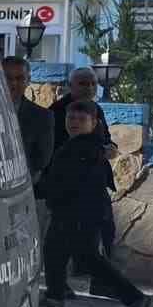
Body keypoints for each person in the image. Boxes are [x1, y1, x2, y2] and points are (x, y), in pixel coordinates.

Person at [38, 99, 153, 307]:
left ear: (94, 123)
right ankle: (55, 297)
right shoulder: (84, 145)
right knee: (55, 251)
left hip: (79, 214)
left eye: (82, 119)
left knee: (87, 259)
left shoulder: (85, 148)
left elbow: (62, 182)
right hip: (73, 212)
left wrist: (37, 189)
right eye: (71, 118)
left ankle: (136, 299)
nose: (74, 123)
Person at [50, 66, 118, 254]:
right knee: (64, 244)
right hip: (70, 188)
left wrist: (111, 149)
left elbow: (105, 139)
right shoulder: (57, 112)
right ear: (70, 86)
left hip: (96, 184)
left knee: (106, 234)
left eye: (92, 84)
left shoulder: (96, 110)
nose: (88, 88)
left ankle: (101, 282)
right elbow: (63, 148)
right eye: (83, 84)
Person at [2, 55, 54, 234]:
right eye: (7, 78)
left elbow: (42, 160)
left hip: (24, 194)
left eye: (19, 78)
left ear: (28, 81)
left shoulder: (42, 117)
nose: (13, 84)